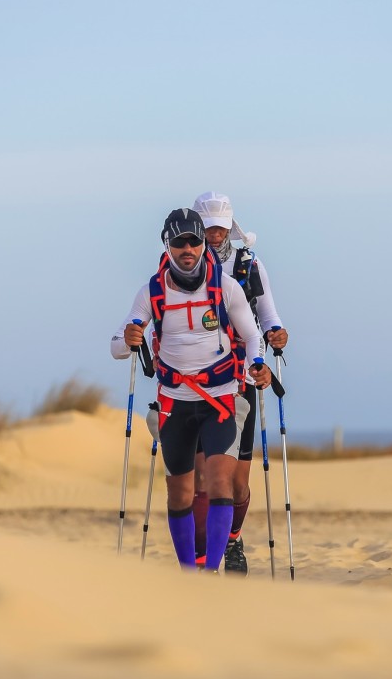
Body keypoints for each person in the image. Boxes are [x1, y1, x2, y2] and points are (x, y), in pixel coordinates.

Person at [110, 207, 272, 573]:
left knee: (219, 481)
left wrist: (256, 366)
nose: (188, 248)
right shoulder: (151, 291)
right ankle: (188, 572)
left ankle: (211, 569)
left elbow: (251, 337)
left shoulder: (226, 287)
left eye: (194, 241)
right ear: (167, 245)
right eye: (179, 242)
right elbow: (117, 345)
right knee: (180, 493)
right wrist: (129, 340)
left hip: (220, 400)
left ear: (204, 245)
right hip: (174, 404)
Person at [189, 191, 288, 575]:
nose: (215, 234)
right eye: (209, 227)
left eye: (221, 227)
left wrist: (277, 332)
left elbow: (268, 314)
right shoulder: (182, 266)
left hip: (243, 375)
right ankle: (205, 553)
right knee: (205, 474)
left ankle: (233, 538)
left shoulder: (250, 265)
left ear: (230, 226)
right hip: (197, 380)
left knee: (238, 483)